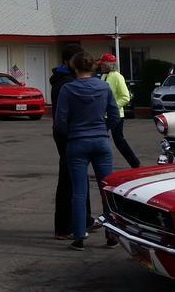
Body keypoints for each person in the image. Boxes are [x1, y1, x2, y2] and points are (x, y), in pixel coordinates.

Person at [54, 50, 119, 251]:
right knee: (106, 190)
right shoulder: (104, 86)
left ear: (73, 67)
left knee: (79, 191)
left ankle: (80, 235)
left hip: (77, 142)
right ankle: (111, 235)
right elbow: (115, 115)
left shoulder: (68, 89)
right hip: (100, 141)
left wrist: (72, 133)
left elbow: (60, 122)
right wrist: (102, 129)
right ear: (93, 67)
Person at [49, 43, 91, 240]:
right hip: (68, 135)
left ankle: (85, 218)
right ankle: (63, 226)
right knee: (67, 178)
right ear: (68, 62)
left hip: (76, 134)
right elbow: (62, 116)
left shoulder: (70, 81)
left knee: (79, 177)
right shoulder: (64, 83)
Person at [97, 53, 140, 168]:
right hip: (104, 115)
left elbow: (125, 97)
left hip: (115, 115)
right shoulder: (103, 76)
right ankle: (133, 163)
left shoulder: (117, 76)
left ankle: (135, 163)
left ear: (107, 65)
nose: (100, 66)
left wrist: (112, 107)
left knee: (118, 141)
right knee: (101, 139)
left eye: (102, 64)